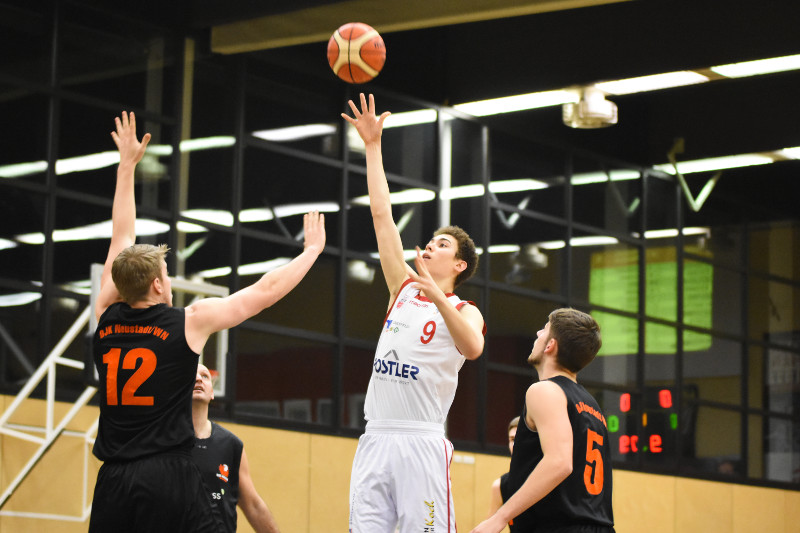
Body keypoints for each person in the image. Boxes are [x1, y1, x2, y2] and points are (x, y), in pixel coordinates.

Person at [89, 111, 325, 532]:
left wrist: (126, 167)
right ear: (159, 287)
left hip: (113, 477)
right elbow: (263, 293)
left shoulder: (105, 317)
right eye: (165, 274)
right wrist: (308, 254)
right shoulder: (188, 322)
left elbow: (120, 237)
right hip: (165, 474)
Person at [342, 93, 486, 533]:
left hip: (420, 440)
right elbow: (383, 217)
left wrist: (437, 296)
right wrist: (372, 146)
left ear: (459, 265)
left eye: (443, 244)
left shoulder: (464, 308)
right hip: (375, 436)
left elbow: (474, 347)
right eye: (431, 239)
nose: (430, 244)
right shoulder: (401, 287)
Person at [471, 308, 615, 533]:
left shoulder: (545, 390)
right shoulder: (591, 405)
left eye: (544, 330)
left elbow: (559, 462)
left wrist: (500, 518)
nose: (538, 333)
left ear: (551, 345)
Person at [192, 363, 281, 533]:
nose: (198, 379)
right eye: (191, 374)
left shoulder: (231, 445)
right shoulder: (166, 440)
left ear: (212, 393)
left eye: (205, 376)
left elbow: (253, 505)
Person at [487, 416, 520, 531]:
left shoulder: (553, 478)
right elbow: (489, 527)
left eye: (520, 439)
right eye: (512, 439)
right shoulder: (500, 486)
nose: (515, 445)